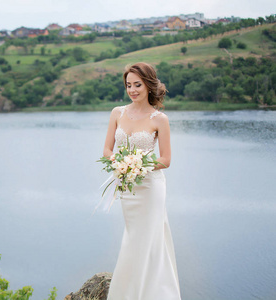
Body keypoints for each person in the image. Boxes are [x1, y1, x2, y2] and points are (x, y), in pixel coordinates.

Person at [103, 62, 181, 300]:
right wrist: (120, 163)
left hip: (150, 187)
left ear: (148, 85)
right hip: (128, 187)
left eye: (137, 84)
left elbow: (166, 160)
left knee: (149, 237)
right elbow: (107, 150)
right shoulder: (117, 113)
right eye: (128, 85)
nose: (132, 90)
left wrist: (138, 164)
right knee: (134, 235)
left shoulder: (160, 119)